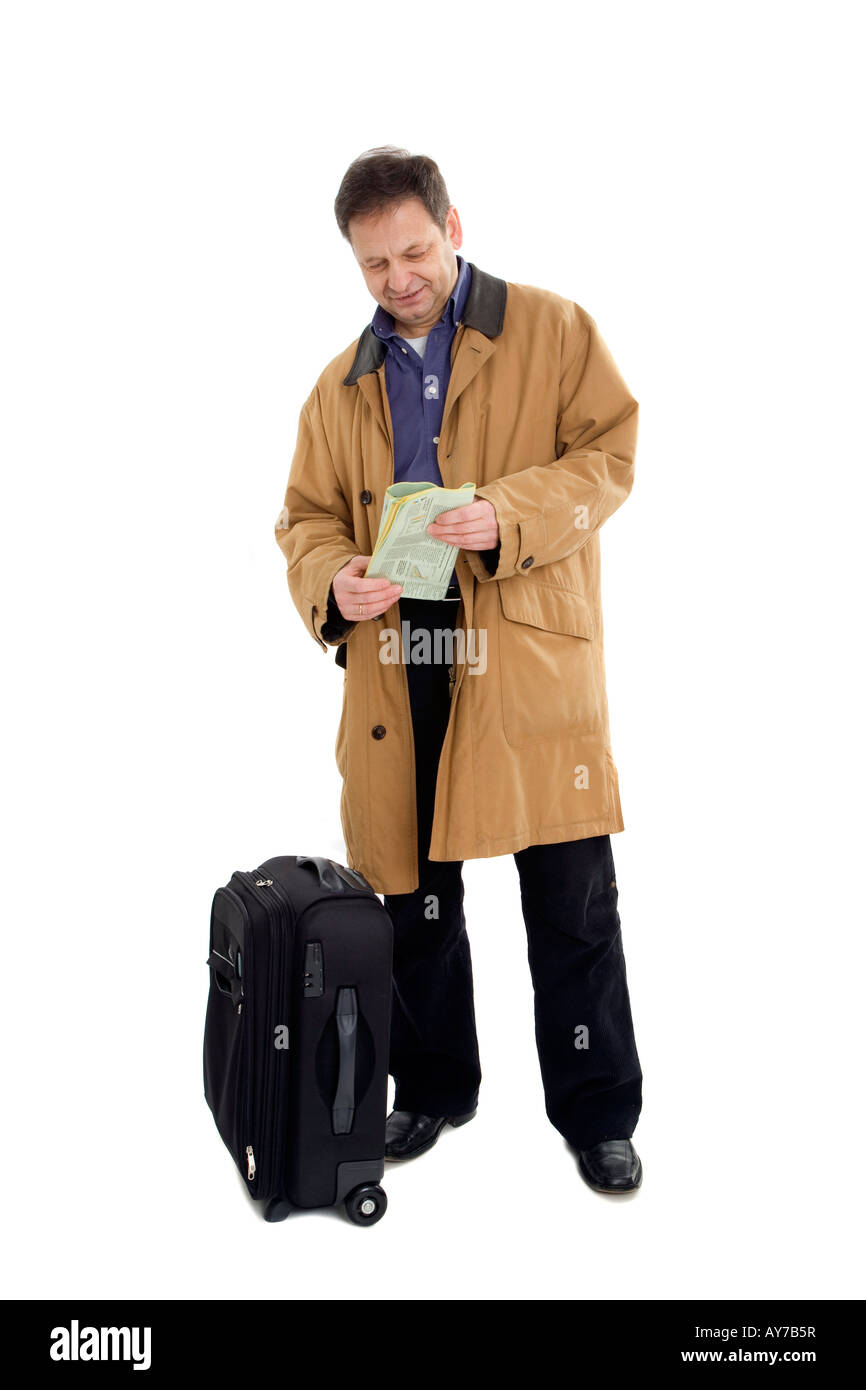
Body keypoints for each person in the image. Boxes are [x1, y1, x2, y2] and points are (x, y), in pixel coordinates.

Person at [275, 147, 643, 1194]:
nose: (397, 278)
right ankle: (434, 1087)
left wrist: (504, 513)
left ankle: (596, 1113)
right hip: (400, 649)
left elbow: (609, 456)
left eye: (414, 252)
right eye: (373, 263)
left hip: (519, 641)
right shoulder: (338, 386)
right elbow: (303, 517)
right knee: (413, 898)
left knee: (570, 900)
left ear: (453, 228)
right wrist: (333, 579)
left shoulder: (554, 330)